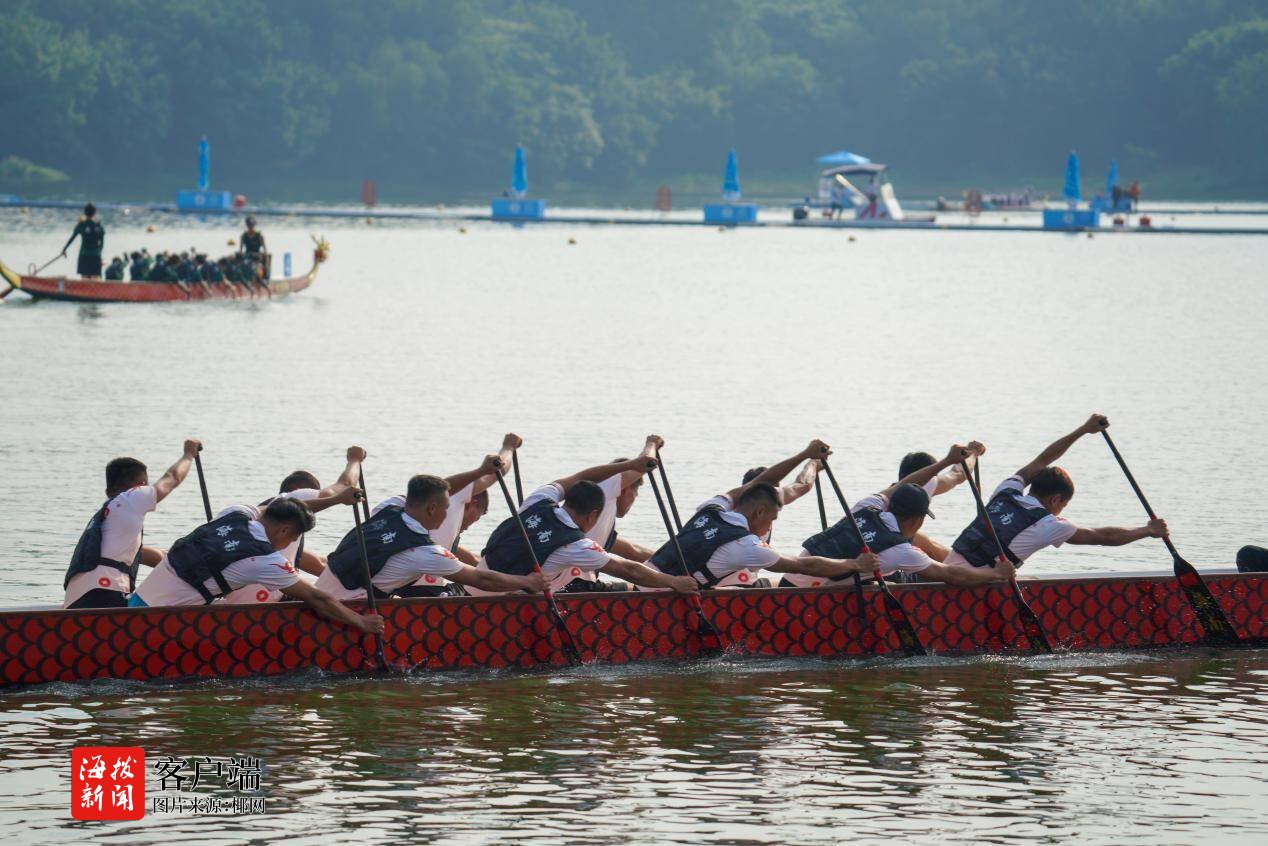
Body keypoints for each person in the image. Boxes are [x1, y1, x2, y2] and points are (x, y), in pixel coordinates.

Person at [128, 499, 385, 636]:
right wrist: (361, 622)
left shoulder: (236, 512)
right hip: (159, 627)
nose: (290, 544)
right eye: (293, 539)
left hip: (133, 608)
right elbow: (317, 597)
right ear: (284, 529)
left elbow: (271, 505)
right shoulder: (265, 560)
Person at [944, 415, 1168, 572]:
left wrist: (1083, 429)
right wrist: (1147, 530)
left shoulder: (1007, 490)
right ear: (1056, 499)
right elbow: (1104, 537)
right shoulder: (1050, 525)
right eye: (1064, 505)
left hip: (948, 568)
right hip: (976, 585)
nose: (1061, 510)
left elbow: (1042, 460)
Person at [647, 440, 879, 589]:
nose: (772, 522)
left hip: (651, 579)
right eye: (772, 517)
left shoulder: (713, 506)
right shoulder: (745, 543)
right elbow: (804, 565)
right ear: (759, 509)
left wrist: (811, 461)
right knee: (750, 579)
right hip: (717, 587)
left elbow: (802, 485)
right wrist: (856, 565)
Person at [781, 443, 1011, 589]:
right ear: (916, 520)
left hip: (786, 584)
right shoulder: (899, 550)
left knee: (922, 547)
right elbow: (951, 575)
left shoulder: (869, 504)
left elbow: (948, 475)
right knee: (923, 556)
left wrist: (960, 458)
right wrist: (993, 574)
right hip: (809, 597)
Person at [474, 457, 699, 595]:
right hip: (507, 601)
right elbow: (629, 570)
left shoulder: (540, 499)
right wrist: (675, 582)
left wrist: (631, 465)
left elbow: (581, 475)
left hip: (475, 584)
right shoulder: (575, 545)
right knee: (633, 589)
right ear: (593, 515)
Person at [316, 474, 549, 600]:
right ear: (431, 508)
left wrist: (478, 471)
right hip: (348, 612)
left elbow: (444, 484)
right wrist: (527, 582)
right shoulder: (424, 552)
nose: (449, 514)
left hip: (321, 595)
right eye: (446, 508)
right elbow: (481, 580)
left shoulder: (390, 509)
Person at [63, 440, 201, 609]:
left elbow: (154, 556)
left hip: (75, 602)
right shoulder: (132, 497)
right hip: (103, 595)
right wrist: (188, 454)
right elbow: (172, 477)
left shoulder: (107, 519)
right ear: (142, 485)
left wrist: (197, 568)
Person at [223, 446, 368, 604]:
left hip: (233, 602)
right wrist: (355, 460)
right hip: (265, 607)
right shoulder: (294, 498)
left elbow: (319, 565)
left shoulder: (265, 525)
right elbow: (344, 485)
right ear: (298, 491)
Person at [397, 434, 524, 597]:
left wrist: (488, 566)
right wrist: (509, 447)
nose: (469, 526)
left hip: (401, 586)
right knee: (498, 590)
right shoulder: (456, 494)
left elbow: (459, 554)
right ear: (471, 502)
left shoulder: (411, 506)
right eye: (477, 517)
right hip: (426, 590)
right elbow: (498, 470)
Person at [893, 448, 980, 561]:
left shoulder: (888, 493)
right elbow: (958, 474)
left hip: (892, 543)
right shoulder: (925, 486)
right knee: (929, 548)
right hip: (890, 550)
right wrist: (974, 453)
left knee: (930, 545)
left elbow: (959, 473)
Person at [739, 457, 821, 542]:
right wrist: (813, 463)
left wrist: (813, 464)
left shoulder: (773, 498)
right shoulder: (730, 514)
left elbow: (803, 484)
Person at [61, 203, 106, 278]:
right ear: (94, 213)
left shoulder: (82, 225)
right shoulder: (98, 226)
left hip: (84, 254)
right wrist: (99, 253)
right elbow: (102, 243)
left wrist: (64, 249)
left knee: (84, 277)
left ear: (85, 213)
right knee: (95, 277)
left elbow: (72, 238)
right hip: (96, 255)